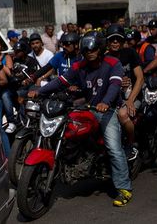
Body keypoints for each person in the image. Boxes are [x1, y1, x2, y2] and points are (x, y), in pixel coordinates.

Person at [28, 31, 133, 207]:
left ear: (100, 49)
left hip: (108, 110)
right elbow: (60, 81)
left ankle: (124, 188)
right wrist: (39, 91)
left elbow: (115, 86)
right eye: (86, 50)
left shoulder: (113, 63)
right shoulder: (79, 66)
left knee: (114, 148)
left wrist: (106, 102)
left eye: (93, 49)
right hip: (87, 108)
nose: (89, 52)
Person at [106, 24, 144, 161]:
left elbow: (140, 78)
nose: (115, 42)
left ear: (123, 41)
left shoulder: (130, 53)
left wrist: (130, 101)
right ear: (107, 42)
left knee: (122, 114)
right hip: (114, 98)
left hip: (132, 96)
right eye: (112, 39)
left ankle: (131, 144)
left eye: (118, 39)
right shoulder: (105, 58)